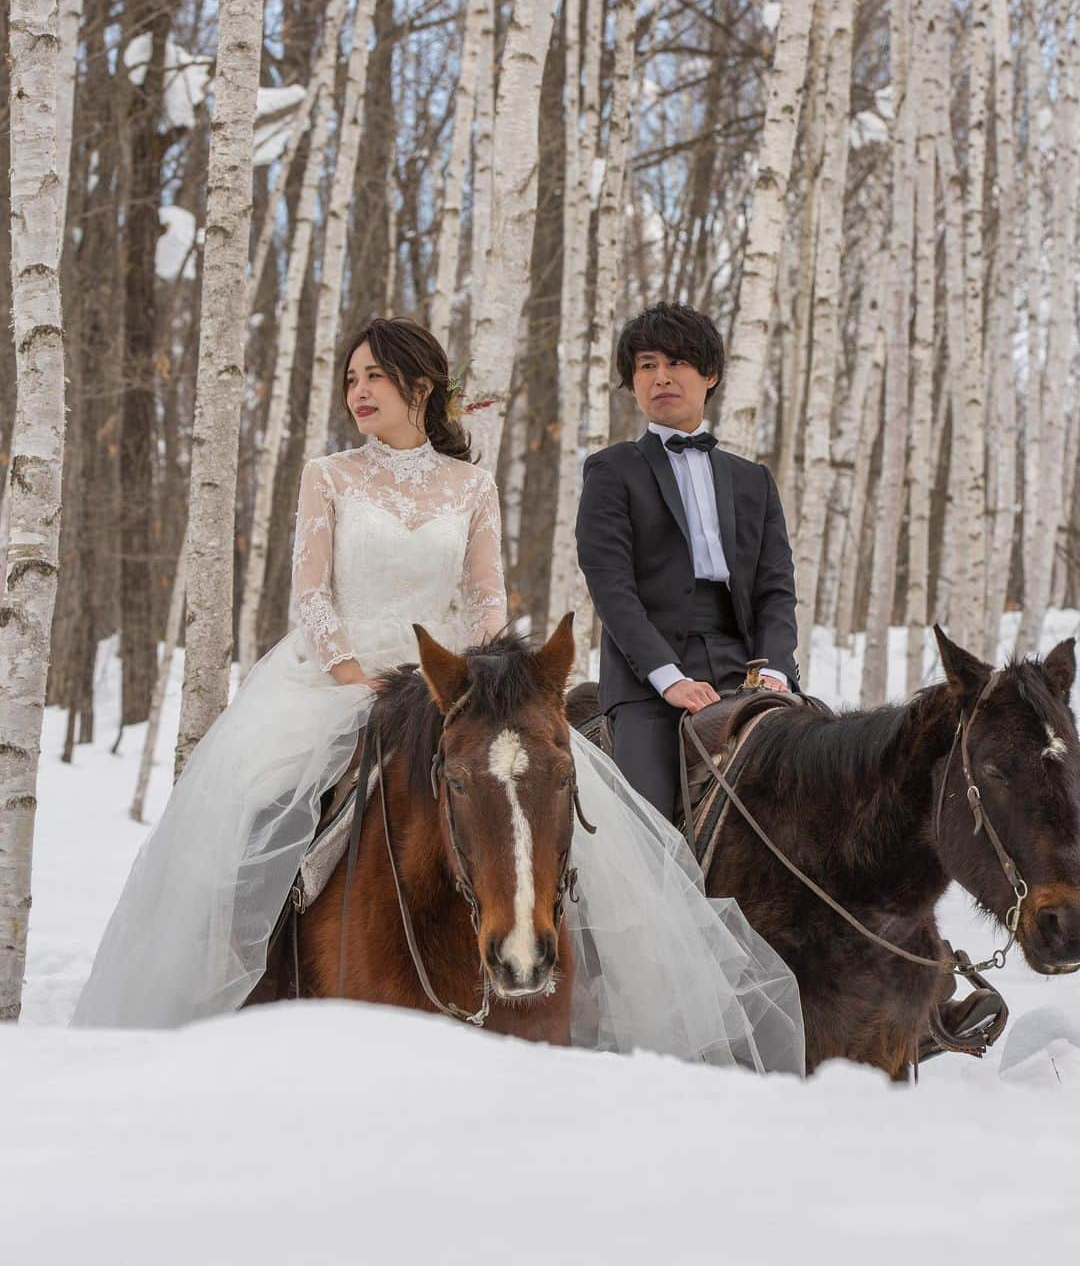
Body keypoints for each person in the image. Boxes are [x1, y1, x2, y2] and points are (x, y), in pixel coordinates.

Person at [74, 314, 803, 1075]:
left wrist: (491, 679)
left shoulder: (471, 486)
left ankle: (566, 978)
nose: (359, 391)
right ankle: (246, 977)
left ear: (420, 386)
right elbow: (312, 594)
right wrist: (353, 679)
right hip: (341, 680)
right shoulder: (329, 475)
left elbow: (486, 600)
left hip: (448, 684)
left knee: (547, 810)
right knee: (261, 810)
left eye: (375, 377)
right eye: (352, 379)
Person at [575, 302, 799, 822]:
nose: (661, 377)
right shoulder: (611, 471)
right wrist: (666, 676)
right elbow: (610, 587)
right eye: (647, 365)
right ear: (632, 382)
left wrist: (778, 673)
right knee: (650, 824)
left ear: (710, 374)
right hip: (647, 675)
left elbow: (775, 590)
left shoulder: (753, 480)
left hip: (745, 662)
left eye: (676, 363)